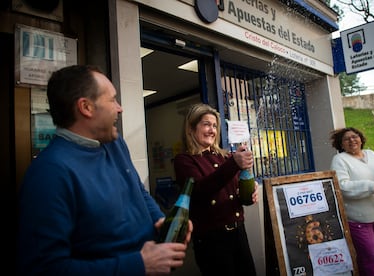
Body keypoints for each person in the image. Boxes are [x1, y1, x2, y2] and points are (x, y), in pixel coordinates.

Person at [17, 65, 192, 275]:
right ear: (86, 107)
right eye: (112, 100)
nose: (120, 108)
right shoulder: (49, 173)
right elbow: (44, 268)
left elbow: (138, 191)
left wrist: (160, 220)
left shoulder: (114, 143)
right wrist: (140, 264)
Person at [174, 103, 259, 276]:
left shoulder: (225, 157)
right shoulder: (184, 160)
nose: (212, 130)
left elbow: (240, 197)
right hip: (211, 240)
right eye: (206, 124)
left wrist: (251, 188)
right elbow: (200, 190)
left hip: (238, 232)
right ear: (191, 128)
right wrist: (234, 164)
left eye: (214, 126)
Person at [329, 127, 374, 276]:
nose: (352, 140)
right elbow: (341, 186)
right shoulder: (340, 160)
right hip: (357, 220)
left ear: (361, 139)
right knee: (371, 256)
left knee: (367, 256)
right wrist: (370, 186)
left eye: (355, 137)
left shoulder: (372, 154)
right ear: (341, 145)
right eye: (346, 139)